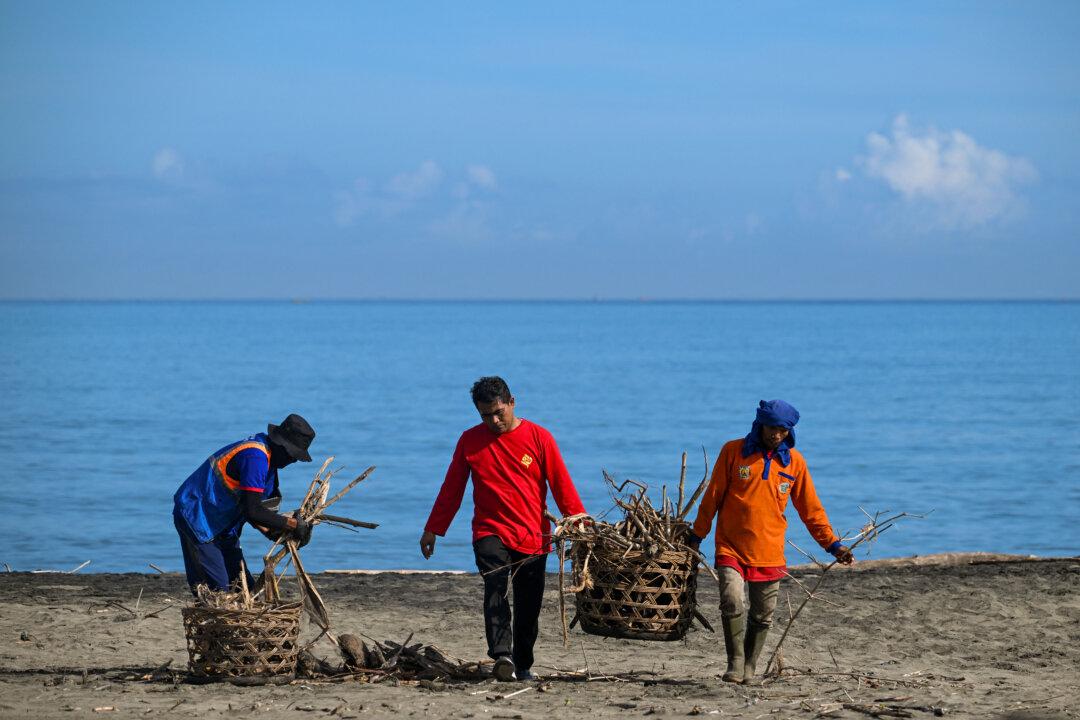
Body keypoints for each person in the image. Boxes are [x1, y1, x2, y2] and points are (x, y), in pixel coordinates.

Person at [420, 376, 588, 682]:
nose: (494, 420)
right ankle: (502, 655)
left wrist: (580, 524)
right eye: (486, 415)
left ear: (512, 403)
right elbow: (452, 489)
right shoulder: (470, 441)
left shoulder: (540, 438)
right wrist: (433, 529)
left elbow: (562, 485)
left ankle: (522, 664)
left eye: (499, 412)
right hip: (489, 531)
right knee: (495, 588)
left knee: (529, 605)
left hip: (533, 536)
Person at [690, 400, 853, 684]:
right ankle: (735, 663)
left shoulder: (795, 463)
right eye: (771, 427)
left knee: (763, 614)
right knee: (731, 599)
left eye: (781, 429)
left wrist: (833, 545)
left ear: (788, 430)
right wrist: (697, 535)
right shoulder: (733, 451)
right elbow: (712, 496)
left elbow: (810, 510)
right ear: (760, 425)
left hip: (770, 551)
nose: (775, 434)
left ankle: (750, 667)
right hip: (730, 546)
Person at [173, 413, 317, 595]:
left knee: (244, 590)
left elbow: (251, 507)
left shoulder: (269, 461)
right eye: (292, 454)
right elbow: (253, 511)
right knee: (218, 591)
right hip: (198, 517)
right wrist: (293, 525)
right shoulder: (255, 458)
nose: (294, 460)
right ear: (280, 445)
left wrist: (276, 532)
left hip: (224, 525)